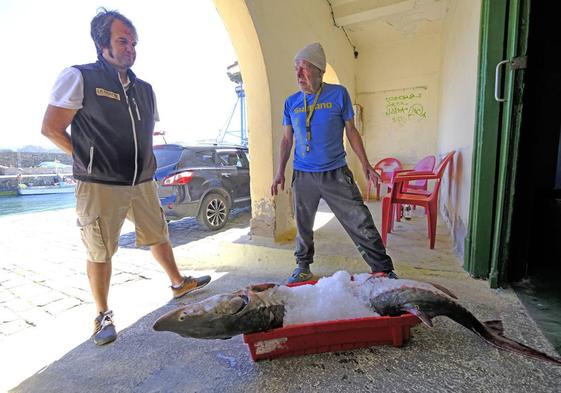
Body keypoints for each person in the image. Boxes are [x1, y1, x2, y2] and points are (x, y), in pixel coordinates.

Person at [41, 8, 211, 346]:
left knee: (158, 233)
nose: (131, 48)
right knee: (101, 250)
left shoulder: (144, 89)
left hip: (142, 181)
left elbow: (144, 133)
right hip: (100, 185)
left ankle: (178, 283)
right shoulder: (80, 76)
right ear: (103, 43)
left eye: (134, 43)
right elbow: (50, 128)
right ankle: (102, 314)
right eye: (123, 41)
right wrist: (89, 160)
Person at [271, 42, 397, 284]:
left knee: (359, 220)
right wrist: (279, 172)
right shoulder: (291, 102)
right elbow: (287, 139)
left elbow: (351, 131)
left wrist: (366, 164)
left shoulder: (339, 94)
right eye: (296, 69)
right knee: (303, 225)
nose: (298, 75)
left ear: (319, 71)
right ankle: (303, 266)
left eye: (305, 69)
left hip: (336, 173)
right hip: (303, 175)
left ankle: (382, 268)